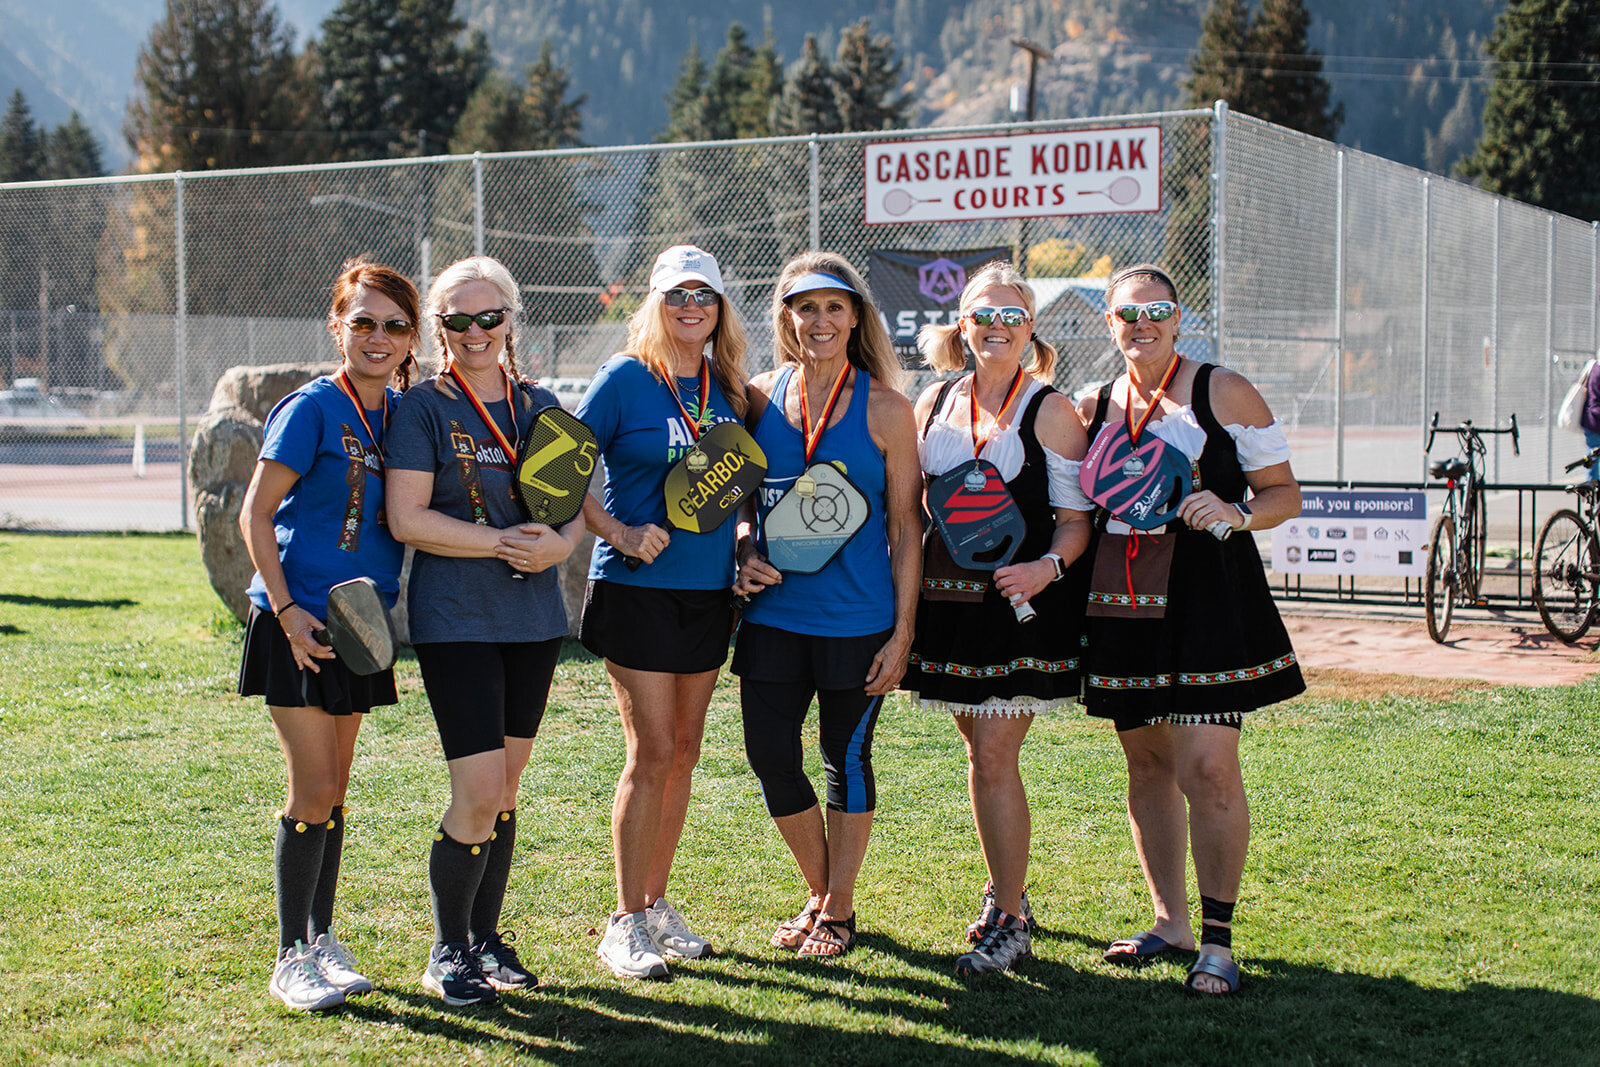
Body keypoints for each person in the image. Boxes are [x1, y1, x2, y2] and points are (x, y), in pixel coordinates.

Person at [1078, 263, 1304, 996]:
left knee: (1206, 766)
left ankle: (1218, 940)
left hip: (1208, 594)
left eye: (1157, 310)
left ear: (1179, 319)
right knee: (1146, 765)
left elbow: (1284, 494)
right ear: (1108, 324)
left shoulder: (1222, 389)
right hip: (1123, 594)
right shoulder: (1097, 402)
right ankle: (1169, 920)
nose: (1142, 324)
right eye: (1127, 314)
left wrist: (1238, 512)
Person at [386, 256, 585, 1006]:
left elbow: (567, 507)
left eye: (490, 316)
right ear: (441, 329)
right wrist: (503, 543)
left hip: (532, 620)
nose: (476, 332)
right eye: (459, 320)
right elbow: (408, 518)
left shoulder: (540, 402)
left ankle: (487, 939)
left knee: (504, 790)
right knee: (476, 788)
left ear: (512, 318)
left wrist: (560, 546)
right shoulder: (423, 407)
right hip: (457, 619)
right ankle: (447, 947)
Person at [238, 257, 420, 1012]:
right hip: (298, 623)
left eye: (395, 325)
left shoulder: (403, 415)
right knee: (311, 786)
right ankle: (289, 954)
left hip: (360, 624)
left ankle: (320, 936)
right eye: (364, 322)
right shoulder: (312, 408)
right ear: (336, 326)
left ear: (412, 337)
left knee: (337, 789)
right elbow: (253, 514)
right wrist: (284, 611)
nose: (378, 338)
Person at [903, 261, 1093, 975]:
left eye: (1012, 315)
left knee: (993, 755)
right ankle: (1004, 891)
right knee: (977, 752)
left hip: (1018, 606)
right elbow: (919, 502)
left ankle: (1010, 918)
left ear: (1031, 327)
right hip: (947, 605)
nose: (996, 327)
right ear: (963, 323)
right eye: (984, 314)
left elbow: (1076, 520)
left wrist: (1045, 568)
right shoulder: (933, 400)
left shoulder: (1049, 407)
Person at [732, 252, 921, 959]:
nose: (818, 320)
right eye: (804, 307)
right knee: (770, 756)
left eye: (833, 307)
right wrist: (747, 548)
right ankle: (823, 891)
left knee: (845, 757)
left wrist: (903, 631)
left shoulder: (886, 408)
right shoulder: (758, 396)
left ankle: (837, 909)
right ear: (786, 317)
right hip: (774, 618)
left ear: (855, 317)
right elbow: (743, 498)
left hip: (857, 621)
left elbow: (906, 527)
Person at [576, 245, 750, 979]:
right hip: (636, 589)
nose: (690, 307)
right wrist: (617, 531)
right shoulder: (623, 378)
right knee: (649, 750)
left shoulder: (729, 388)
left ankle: (654, 901)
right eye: (676, 295)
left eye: (703, 295)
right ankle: (623, 919)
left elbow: (738, 488)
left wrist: (743, 546)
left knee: (684, 749)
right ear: (653, 302)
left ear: (718, 308)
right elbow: (557, 472)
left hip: (706, 592)